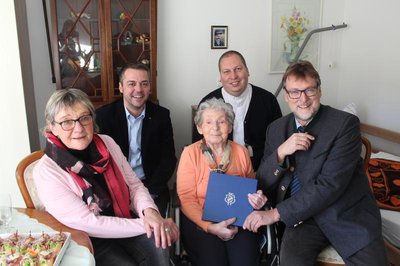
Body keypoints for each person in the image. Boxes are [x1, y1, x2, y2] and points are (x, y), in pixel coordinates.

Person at [243, 60, 388, 266]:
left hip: (346, 215)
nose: (302, 99)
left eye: (309, 90)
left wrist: (275, 214)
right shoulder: (276, 129)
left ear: (319, 91)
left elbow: (329, 185)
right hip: (302, 219)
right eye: (294, 92)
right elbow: (263, 181)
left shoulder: (344, 124)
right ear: (286, 96)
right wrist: (281, 152)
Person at [34, 88, 179, 266]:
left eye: (84, 118)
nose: (78, 128)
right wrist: (148, 223)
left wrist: (150, 212)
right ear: (52, 127)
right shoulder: (47, 171)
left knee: (159, 244)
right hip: (89, 237)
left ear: (92, 119)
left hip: (126, 217)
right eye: (67, 122)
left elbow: (134, 185)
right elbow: (88, 223)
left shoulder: (107, 143)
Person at [177, 98, 267, 266]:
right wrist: (210, 227)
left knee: (244, 261)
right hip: (201, 220)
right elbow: (186, 197)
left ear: (230, 127)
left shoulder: (241, 152)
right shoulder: (190, 153)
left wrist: (256, 198)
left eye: (222, 122)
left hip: (238, 220)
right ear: (199, 128)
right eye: (208, 122)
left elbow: (249, 188)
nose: (215, 128)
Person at [96, 63, 177, 217]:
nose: (138, 90)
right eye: (131, 84)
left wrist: (148, 193)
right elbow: (99, 161)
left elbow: (168, 159)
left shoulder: (161, 116)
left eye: (144, 84)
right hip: (115, 186)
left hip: (150, 186)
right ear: (121, 87)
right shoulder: (103, 117)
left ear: (150, 88)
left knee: (156, 237)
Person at [193, 50, 282, 171]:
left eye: (238, 69)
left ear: (247, 71)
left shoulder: (268, 100)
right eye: (226, 71)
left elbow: (278, 141)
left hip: (262, 169)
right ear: (220, 77)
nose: (233, 76)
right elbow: (199, 145)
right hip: (220, 172)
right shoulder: (207, 103)